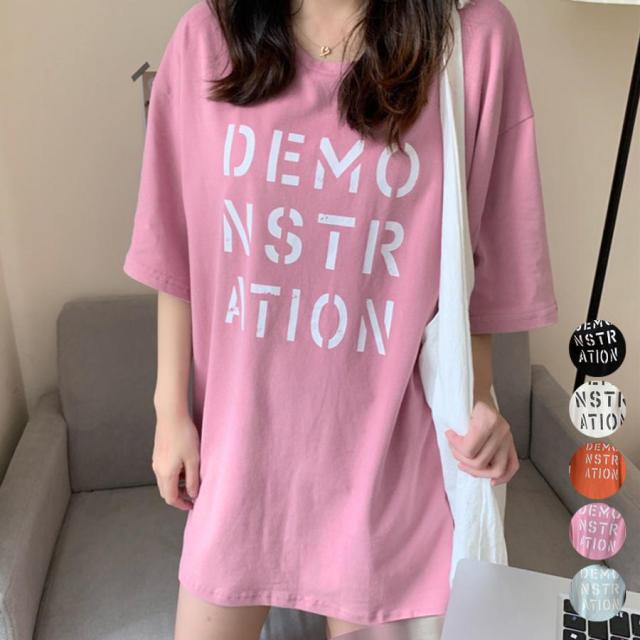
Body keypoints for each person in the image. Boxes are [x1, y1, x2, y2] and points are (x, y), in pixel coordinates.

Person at [122, 0, 559, 638]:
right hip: (240, 457)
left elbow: (486, 253)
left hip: (389, 468)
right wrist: (169, 411)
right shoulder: (208, 38)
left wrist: (480, 395)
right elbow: (174, 241)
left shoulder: (471, 39)